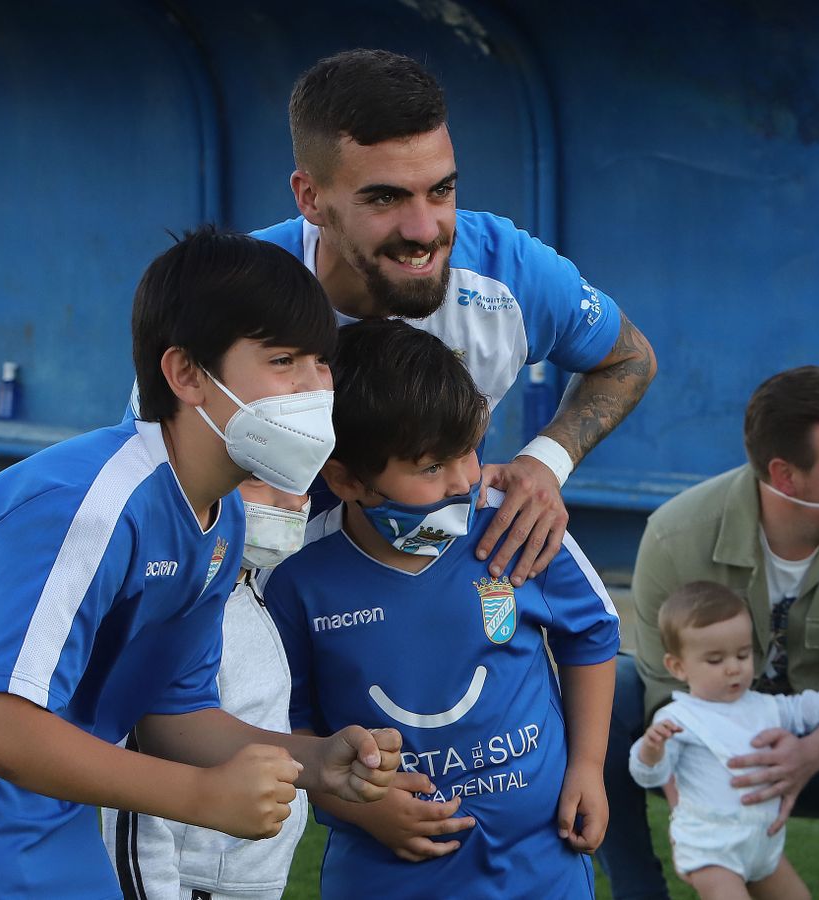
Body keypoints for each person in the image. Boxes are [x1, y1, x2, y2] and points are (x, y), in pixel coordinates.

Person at [0, 228, 405, 896]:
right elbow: (1, 734)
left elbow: (173, 713)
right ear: (186, 374)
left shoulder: (222, 518)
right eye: (283, 360)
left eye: (321, 363)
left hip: (45, 790)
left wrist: (314, 761)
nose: (314, 389)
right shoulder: (88, 505)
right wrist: (201, 797)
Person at [255, 48, 658, 589]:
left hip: (433, 580)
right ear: (310, 197)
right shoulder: (236, 290)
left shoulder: (510, 272)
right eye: (385, 198)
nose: (424, 230)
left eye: (441, 190)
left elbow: (630, 359)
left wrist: (546, 462)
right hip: (261, 591)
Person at [262, 318, 620, 898]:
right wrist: (361, 808)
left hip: (543, 868)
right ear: (346, 479)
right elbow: (282, 726)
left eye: (468, 452)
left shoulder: (517, 522)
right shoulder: (295, 576)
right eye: (431, 467)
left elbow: (593, 633)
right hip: (387, 882)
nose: (462, 482)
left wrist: (587, 765)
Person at [598, 366, 819, 900]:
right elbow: (663, 688)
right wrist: (701, 808)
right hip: (711, 740)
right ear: (785, 476)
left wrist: (811, 753)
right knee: (606, 693)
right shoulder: (675, 535)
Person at [102, 477, 313, 900]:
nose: (292, 502)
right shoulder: (172, 615)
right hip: (190, 886)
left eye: (301, 480)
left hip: (251, 882)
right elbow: (132, 799)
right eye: (257, 479)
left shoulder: (249, 585)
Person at [630, 581, 819, 900]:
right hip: (710, 848)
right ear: (678, 667)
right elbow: (650, 775)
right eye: (715, 660)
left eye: (742, 654)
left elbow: (805, 707)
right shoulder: (678, 718)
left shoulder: (764, 706)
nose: (733, 668)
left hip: (763, 844)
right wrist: (650, 750)